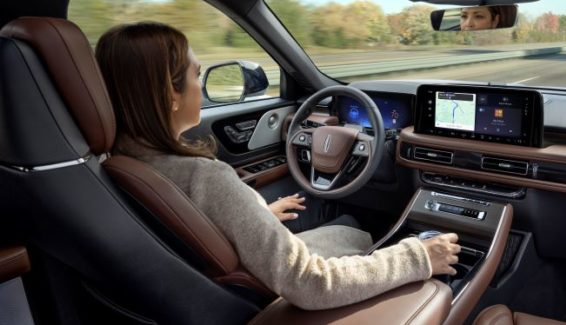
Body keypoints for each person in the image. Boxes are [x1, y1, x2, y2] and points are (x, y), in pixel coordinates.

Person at [95, 22, 460, 310]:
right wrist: (418, 256)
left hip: (219, 279)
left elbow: (188, 228)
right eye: (195, 75)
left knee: (349, 226)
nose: (200, 87)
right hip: (267, 294)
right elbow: (310, 282)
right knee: (357, 232)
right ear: (168, 92)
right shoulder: (204, 175)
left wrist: (253, 213)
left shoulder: (119, 164)